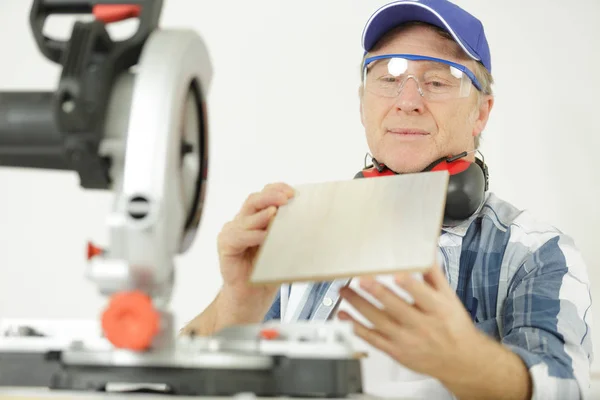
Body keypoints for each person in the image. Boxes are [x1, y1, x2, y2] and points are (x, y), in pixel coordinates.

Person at [182, 1, 593, 399]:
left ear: (481, 113)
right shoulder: (300, 231)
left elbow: (568, 387)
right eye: (389, 77)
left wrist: (465, 360)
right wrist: (236, 302)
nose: (408, 100)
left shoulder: (535, 251)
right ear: (363, 104)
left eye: (437, 80)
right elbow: (176, 381)